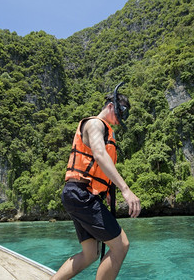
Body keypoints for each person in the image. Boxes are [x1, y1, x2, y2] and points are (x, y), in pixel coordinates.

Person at [51, 83, 141, 280]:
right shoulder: (94, 124)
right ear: (110, 106)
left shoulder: (105, 128)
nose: (119, 121)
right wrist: (125, 189)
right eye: (119, 114)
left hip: (78, 194)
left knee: (90, 254)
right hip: (80, 194)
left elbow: (96, 166)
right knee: (121, 246)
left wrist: (108, 191)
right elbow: (99, 155)